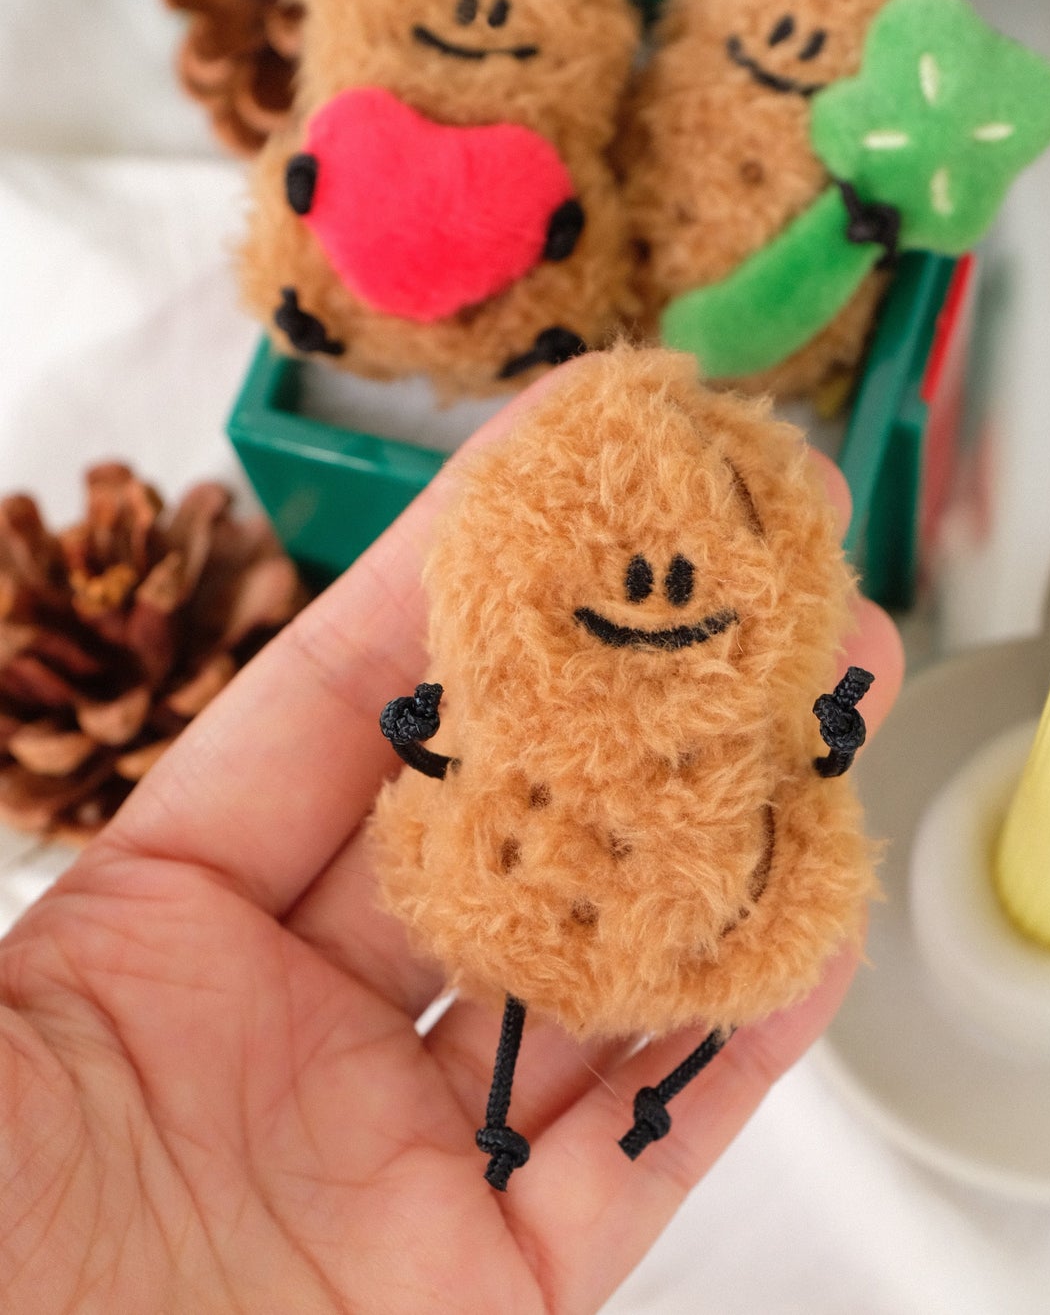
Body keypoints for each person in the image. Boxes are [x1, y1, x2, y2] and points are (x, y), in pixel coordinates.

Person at [0, 364, 903, 1314]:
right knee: (505, 936)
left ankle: (640, 1092)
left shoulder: (739, 739)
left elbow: (798, 786)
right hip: (539, 885)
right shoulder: (507, 719)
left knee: (750, 925)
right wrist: (424, 753)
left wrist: (821, 748)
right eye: (630, 562)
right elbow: (453, 777)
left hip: (695, 905)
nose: (654, 588)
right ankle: (540, 1111)